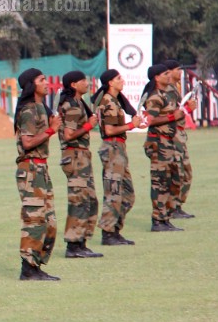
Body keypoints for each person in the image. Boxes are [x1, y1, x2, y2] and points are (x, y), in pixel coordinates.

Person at [13, 68, 62, 281]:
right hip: (31, 169)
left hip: (41, 168)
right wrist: (52, 130)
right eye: (42, 79)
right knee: (34, 219)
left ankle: (36, 265)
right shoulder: (29, 110)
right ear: (32, 85)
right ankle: (28, 268)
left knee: (49, 222)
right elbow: (28, 142)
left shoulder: (42, 107)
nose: (46, 83)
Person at [92, 69, 145, 246]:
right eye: (118, 78)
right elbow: (108, 130)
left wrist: (134, 123)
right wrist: (131, 125)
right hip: (112, 147)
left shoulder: (115, 101)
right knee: (113, 192)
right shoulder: (107, 102)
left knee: (127, 195)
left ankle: (114, 229)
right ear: (110, 83)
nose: (122, 81)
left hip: (119, 148)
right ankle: (108, 233)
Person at [56, 71, 103, 258]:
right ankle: (74, 245)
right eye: (83, 80)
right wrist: (89, 126)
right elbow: (68, 135)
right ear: (73, 85)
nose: (87, 83)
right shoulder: (72, 106)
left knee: (89, 199)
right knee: (79, 200)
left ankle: (81, 242)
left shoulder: (79, 103)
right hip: (75, 155)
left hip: (81, 155)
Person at [141, 64, 183, 232]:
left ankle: (164, 217)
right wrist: (172, 116)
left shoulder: (167, 95)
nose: (169, 76)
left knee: (170, 180)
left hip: (168, 142)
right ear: (156, 78)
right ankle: (158, 220)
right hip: (158, 143)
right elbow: (149, 120)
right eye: (165, 74)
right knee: (159, 182)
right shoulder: (155, 97)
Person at [163, 59, 196, 219]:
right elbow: (172, 115)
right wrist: (187, 108)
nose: (180, 72)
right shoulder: (168, 90)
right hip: (174, 135)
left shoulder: (175, 89)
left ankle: (176, 206)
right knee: (178, 172)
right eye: (177, 69)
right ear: (168, 72)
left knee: (185, 172)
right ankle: (172, 207)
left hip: (180, 135)